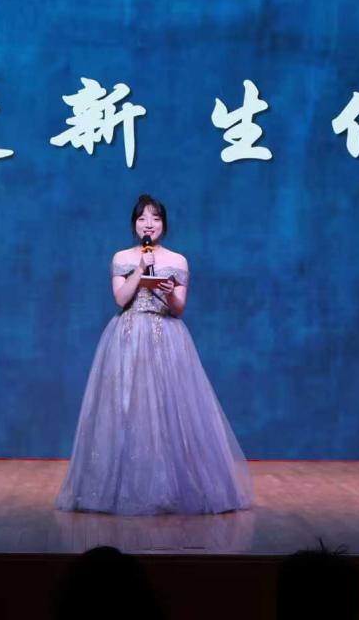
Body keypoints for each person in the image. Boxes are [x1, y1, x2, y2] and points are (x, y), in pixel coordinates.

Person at [56, 194, 252, 515]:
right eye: (142, 218)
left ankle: (172, 488)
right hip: (127, 337)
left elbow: (179, 308)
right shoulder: (122, 257)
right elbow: (121, 299)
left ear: (164, 224)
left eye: (156, 218)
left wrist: (166, 290)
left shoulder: (178, 260)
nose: (149, 224)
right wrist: (140, 272)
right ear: (134, 224)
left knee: (168, 410)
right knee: (125, 409)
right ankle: (119, 490)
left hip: (167, 337)